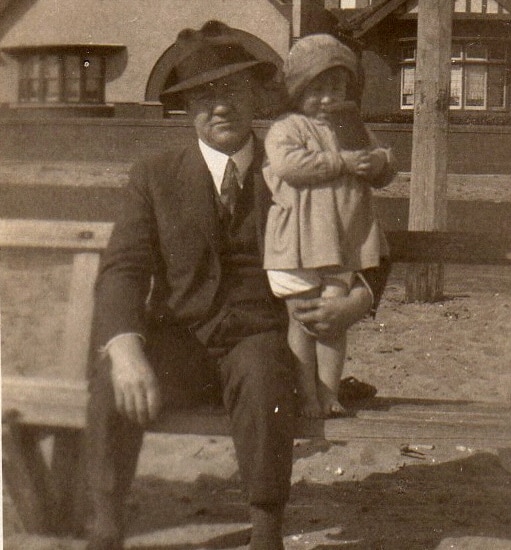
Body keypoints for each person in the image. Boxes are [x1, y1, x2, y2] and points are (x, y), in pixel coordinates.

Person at [84, 21, 388, 550]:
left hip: (260, 339)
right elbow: (124, 267)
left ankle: (266, 530)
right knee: (112, 371)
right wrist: (126, 345)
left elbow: (364, 231)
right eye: (204, 96)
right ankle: (106, 525)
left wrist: (357, 301)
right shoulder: (154, 176)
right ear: (186, 108)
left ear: (257, 96)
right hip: (180, 340)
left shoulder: (297, 163)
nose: (219, 106)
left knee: (268, 371)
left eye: (231, 91)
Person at [263, 34, 396, 419]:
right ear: (298, 91)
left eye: (336, 90)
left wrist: (379, 164)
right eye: (316, 90)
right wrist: (343, 163)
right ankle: (306, 394)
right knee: (303, 320)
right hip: (298, 241)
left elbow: (382, 167)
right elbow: (290, 166)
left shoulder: (351, 126)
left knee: (334, 320)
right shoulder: (286, 128)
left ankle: (329, 393)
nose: (327, 100)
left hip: (342, 242)